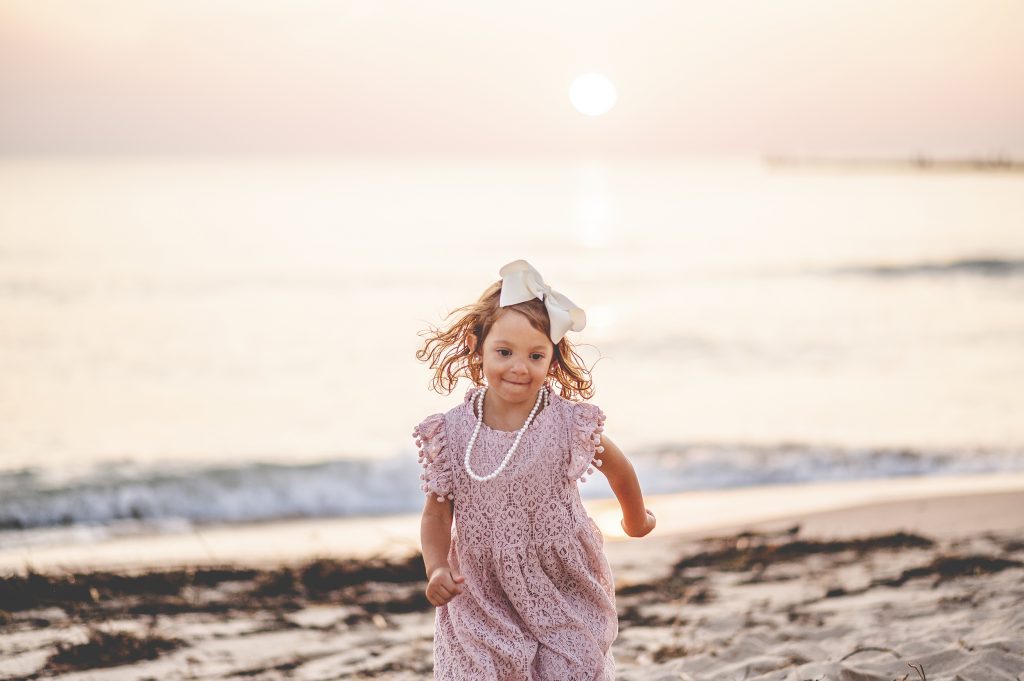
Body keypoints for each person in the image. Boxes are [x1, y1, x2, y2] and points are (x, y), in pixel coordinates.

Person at [413, 259, 656, 680]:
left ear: (552, 359)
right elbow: (437, 513)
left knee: (572, 666)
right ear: (478, 346)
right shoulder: (451, 433)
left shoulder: (566, 424)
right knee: (484, 669)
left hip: (561, 579)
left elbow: (619, 468)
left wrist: (635, 519)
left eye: (535, 355)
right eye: (504, 352)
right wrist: (436, 566)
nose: (519, 367)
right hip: (482, 589)